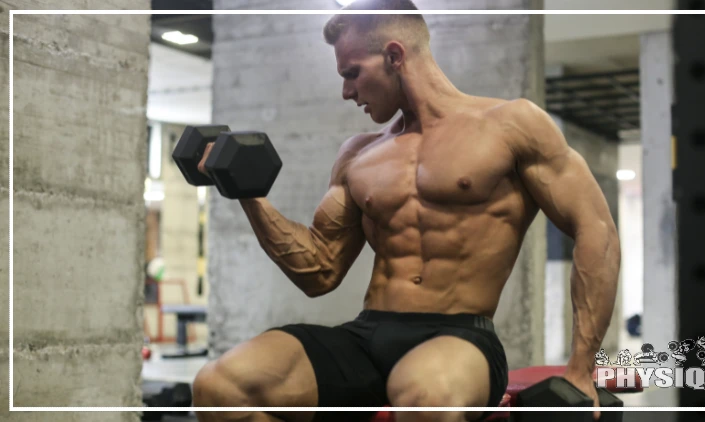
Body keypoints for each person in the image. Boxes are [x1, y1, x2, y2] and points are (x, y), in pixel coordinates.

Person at [191, 1, 621, 421]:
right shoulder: (359, 154)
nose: (346, 91)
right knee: (219, 387)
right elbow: (319, 270)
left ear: (394, 55)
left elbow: (595, 229)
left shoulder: (510, 125)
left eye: (352, 73)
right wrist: (249, 194)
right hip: (366, 334)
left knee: (424, 398)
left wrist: (581, 368)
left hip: (459, 338)